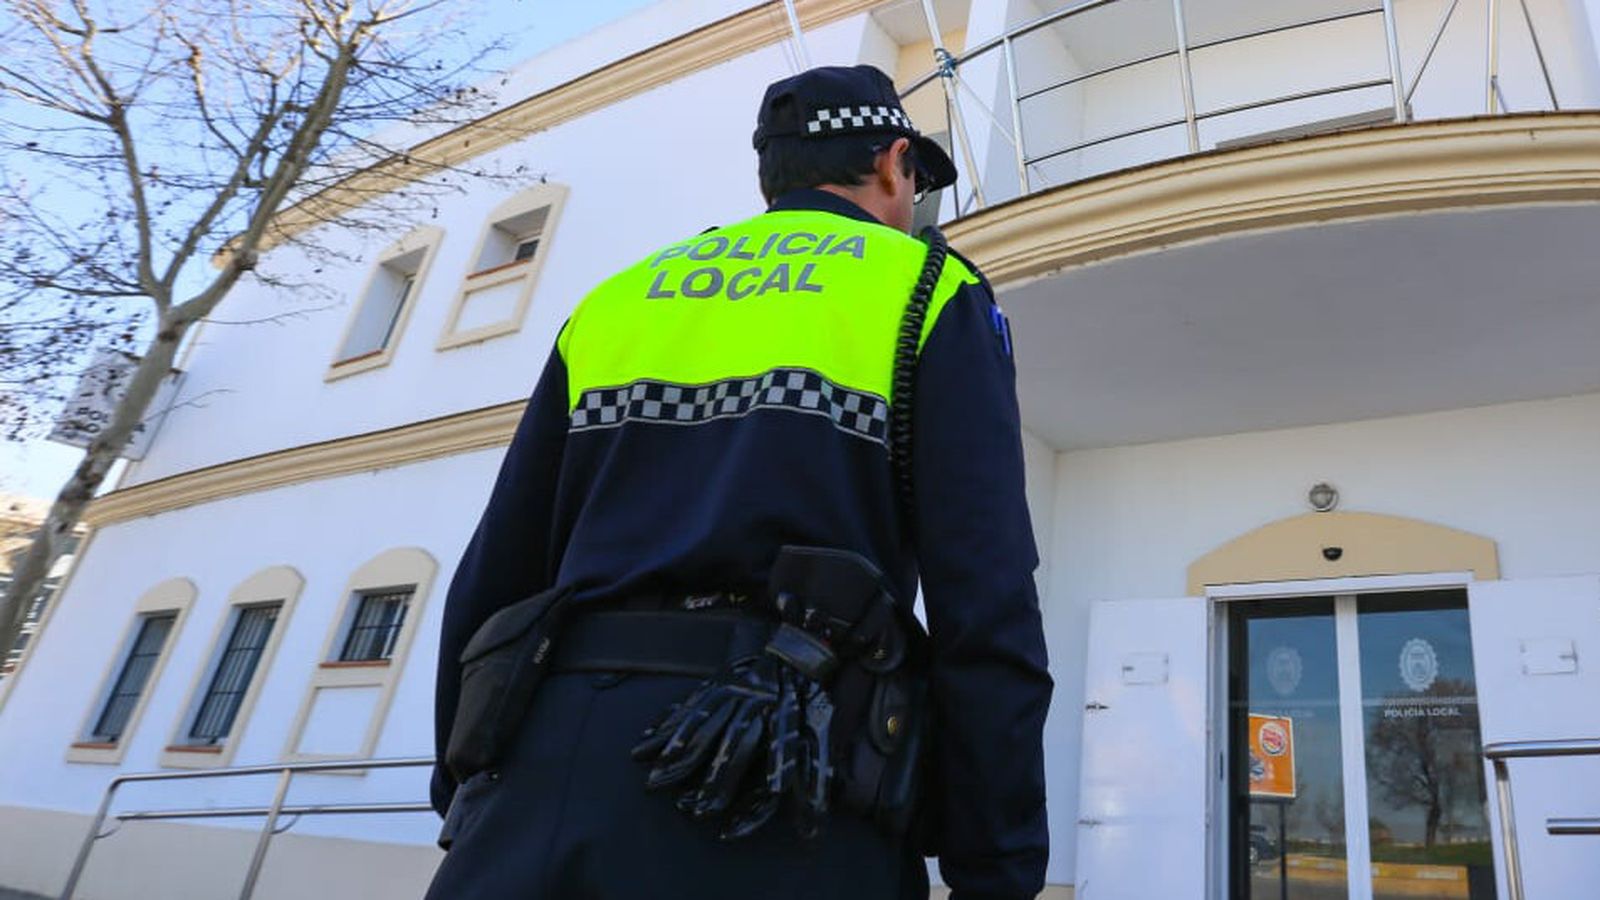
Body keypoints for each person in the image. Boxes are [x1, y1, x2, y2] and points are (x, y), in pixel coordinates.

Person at [426, 64, 1052, 900]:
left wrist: (465, 783)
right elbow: (988, 599)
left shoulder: (618, 300)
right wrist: (996, 868)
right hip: (786, 778)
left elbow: (496, 571)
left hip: (547, 773)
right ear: (894, 162)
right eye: (916, 182)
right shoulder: (929, 289)